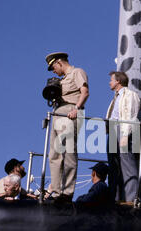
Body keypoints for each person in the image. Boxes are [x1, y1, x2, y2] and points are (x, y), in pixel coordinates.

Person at [45, 52, 89, 202]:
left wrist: (76, 108)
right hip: (58, 113)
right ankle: (56, 192)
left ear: (59, 62)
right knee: (54, 155)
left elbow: (85, 92)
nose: (53, 71)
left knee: (69, 153)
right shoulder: (62, 80)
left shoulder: (77, 72)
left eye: (53, 67)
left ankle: (67, 192)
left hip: (70, 112)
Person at [106, 71, 141, 205]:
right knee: (114, 165)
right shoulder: (116, 97)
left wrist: (126, 134)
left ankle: (131, 198)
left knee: (127, 164)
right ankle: (116, 197)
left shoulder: (130, 95)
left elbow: (130, 115)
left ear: (118, 81)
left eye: (111, 80)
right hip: (113, 130)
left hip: (122, 129)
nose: (110, 82)